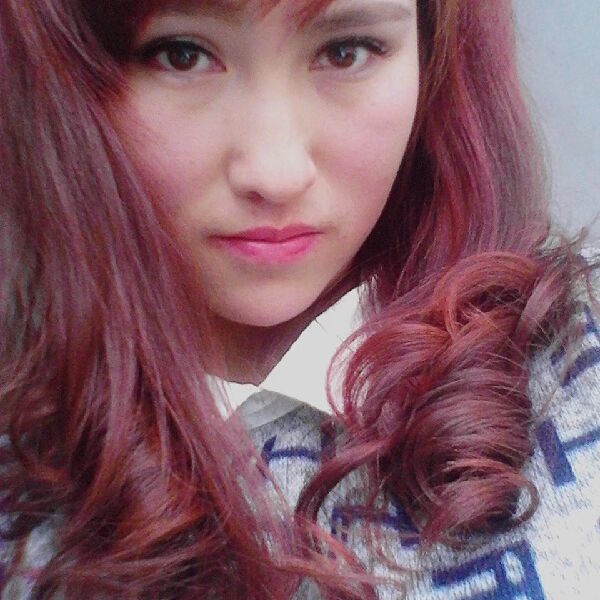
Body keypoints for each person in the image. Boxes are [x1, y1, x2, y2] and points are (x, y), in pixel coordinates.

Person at [1, 0, 598, 598]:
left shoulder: (576, 352)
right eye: (181, 56)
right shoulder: (21, 477)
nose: (276, 174)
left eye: (346, 51)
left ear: (434, 58)